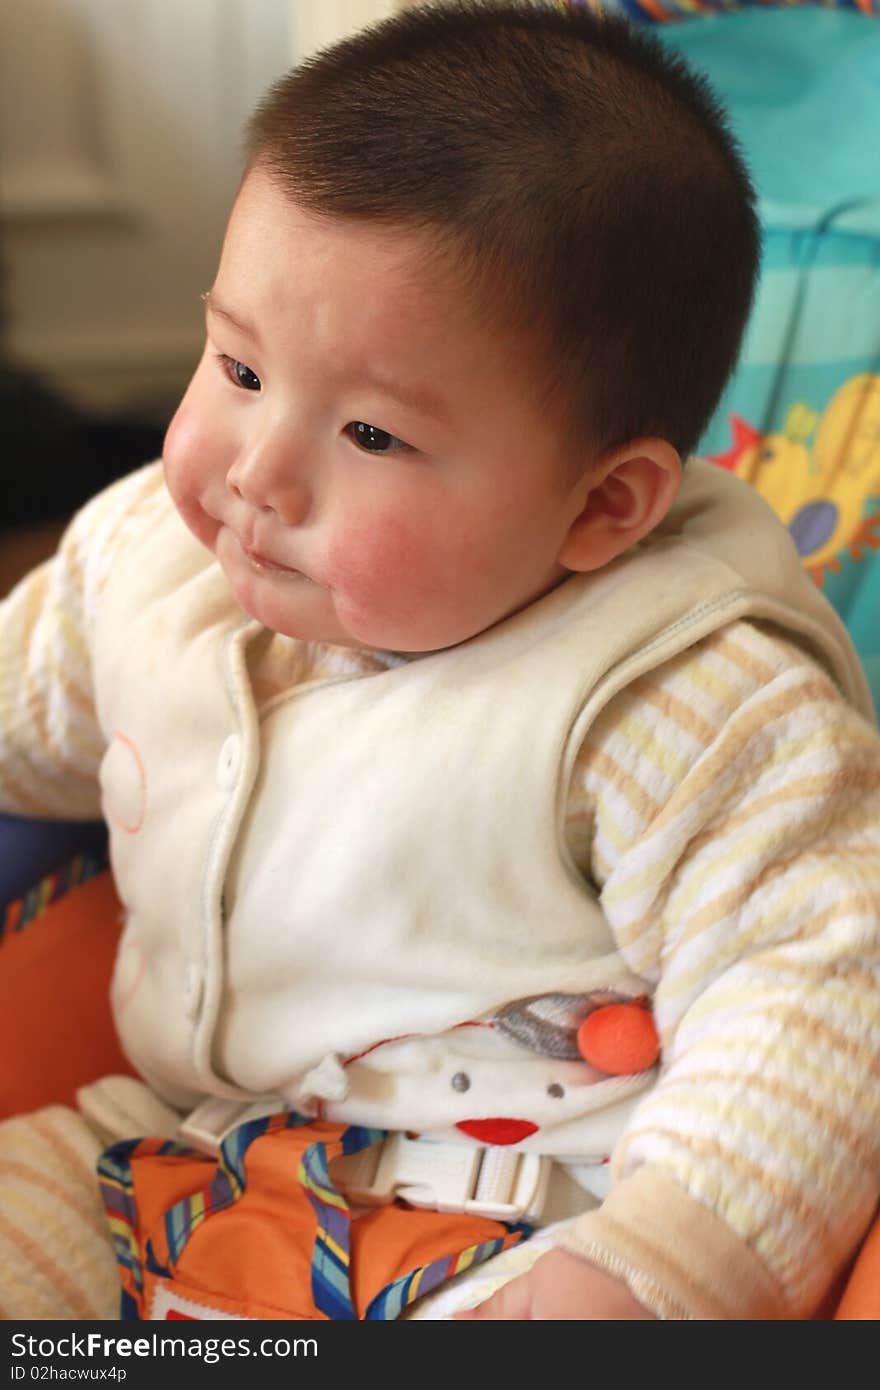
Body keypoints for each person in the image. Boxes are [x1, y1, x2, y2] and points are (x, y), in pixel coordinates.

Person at [1, 0, 879, 1321]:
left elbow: (822, 980)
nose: (255, 474)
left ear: (600, 507)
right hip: (180, 1153)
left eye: (370, 435)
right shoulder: (145, 566)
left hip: (524, 1217)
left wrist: (652, 1271)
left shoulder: (677, 694)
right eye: (238, 364)